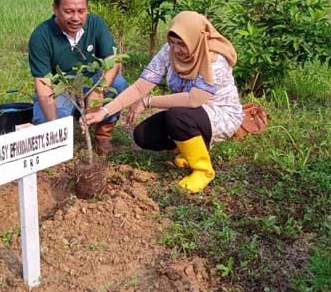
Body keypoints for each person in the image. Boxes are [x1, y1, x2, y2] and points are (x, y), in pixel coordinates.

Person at [85, 11, 244, 193]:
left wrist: (148, 101)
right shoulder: (168, 52)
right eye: (173, 42)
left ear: (196, 39)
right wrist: (104, 111)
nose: (176, 50)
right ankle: (189, 149)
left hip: (220, 113)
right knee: (143, 135)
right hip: (188, 112)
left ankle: (203, 170)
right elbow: (140, 87)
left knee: (177, 117)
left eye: (182, 44)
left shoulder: (215, 59)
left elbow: (194, 99)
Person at [28, 0, 127, 154]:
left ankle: (103, 135)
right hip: (61, 88)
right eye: (69, 11)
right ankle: (63, 130)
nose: (76, 18)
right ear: (55, 9)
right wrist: (55, 129)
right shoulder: (41, 36)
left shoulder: (96, 24)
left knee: (118, 84)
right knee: (45, 121)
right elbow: (43, 84)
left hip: (91, 81)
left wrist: (99, 89)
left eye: (81, 11)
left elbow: (113, 61)